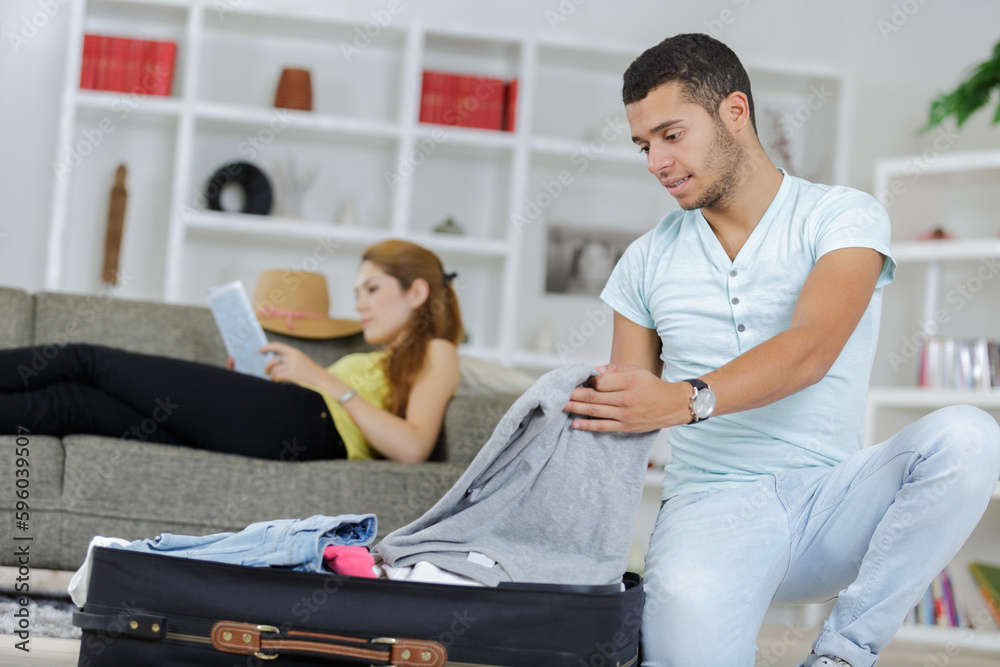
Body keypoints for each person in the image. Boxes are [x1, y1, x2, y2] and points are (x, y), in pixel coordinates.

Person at [563, 33, 1000, 667]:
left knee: (970, 437)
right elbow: (629, 415)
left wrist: (685, 399)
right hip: (707, 513)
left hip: (832, 503)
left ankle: (844, 652)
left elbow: (811, 350)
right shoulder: (643, 261)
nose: (656, 161)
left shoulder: (842, 217)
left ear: (734, 112)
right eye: (643, 145)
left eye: (671, 135)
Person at [0, 239, 463, 463]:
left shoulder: (439, 352)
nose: (359, 303)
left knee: (88, 362)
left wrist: (320, 378)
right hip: (284, 418)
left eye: (372, 289)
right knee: (74, 405)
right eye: (358, 290)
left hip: (308, 426)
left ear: (417, 291)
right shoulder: (379, 358)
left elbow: (413, 447)